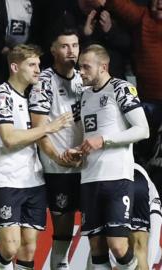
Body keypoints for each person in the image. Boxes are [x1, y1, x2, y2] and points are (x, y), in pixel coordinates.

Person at [63, 44, 149, 270]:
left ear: (103, 67)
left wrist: (104, 140)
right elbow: (88, 136)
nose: (80, 71)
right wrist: (77, 152)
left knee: (118, 245)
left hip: (117, 178)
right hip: (89, 179)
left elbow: (143, 130)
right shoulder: (83, 96)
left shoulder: (120, 88)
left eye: (86, 67)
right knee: (97, 248)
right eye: (80, 67)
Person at [0, 44, 72, 270]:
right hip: (7, 180)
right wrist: (48, 128)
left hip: (33, 180)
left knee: (29, 248)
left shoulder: (29, 98)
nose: (38, 70)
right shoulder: (1, 96)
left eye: (39, 65)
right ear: (15, 67)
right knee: (10, 247)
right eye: (32, 65)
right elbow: (10, 139)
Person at [28, 29, 84, 270]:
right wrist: (58, 158)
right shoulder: (43, 83)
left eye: (75, 45)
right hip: (57, 169)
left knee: (97, 230)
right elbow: (38, 129)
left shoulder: (86, 78)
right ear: (53, 50)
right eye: (64, 46)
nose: (71, 50)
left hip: (89, 167)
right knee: (63, 231)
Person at [101, 0, 162, 176]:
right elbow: (114, 3)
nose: (159, 3)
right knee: (142, 155)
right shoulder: (142, 16)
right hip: (146, 101)